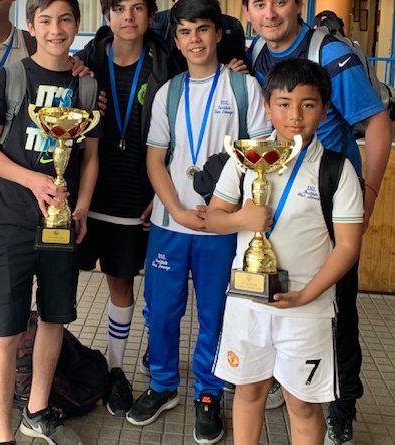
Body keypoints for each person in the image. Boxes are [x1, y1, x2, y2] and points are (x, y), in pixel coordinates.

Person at [243, 1, 392, 442]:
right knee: (276, 295)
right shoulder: (255, 52)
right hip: (278, 206)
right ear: (248, 11)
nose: (270, 13)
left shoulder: (329, 53)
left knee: (336, 313)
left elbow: (377, 123)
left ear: (298, 5)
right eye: (259, 4)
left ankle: (341, 410)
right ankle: (284, 378)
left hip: (328, 206)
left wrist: (368, 197)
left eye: (280, 2)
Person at [124, 0, 270, 443]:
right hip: (172, 223)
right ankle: (163, 384)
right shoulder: (168, 93)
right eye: (185, 31)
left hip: (222, 228)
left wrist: (231, 214)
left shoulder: (244, 88)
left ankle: (209, 393)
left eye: (202, 29)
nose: (194, 40)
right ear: (176, 38)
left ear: (218, 33)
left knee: (215, 312)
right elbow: (155, 161)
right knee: (161, 310)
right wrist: (178, 210)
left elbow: (260, 160)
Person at [209, 58, 364, 445]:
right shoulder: (245, 160)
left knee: (304, 405)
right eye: (283, 103)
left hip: (307, 309)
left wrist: (307, 295)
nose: (295, 116)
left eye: (308, 104)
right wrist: (242, 218)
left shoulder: (336, 169)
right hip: (247, 303)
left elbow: (348, 245)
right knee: (249, 392)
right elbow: (213, 218)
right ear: (267, 107)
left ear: (324, 110)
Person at [0, 0, 100, 441]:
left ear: (77, 24)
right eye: (45, 20)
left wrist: (81, 207)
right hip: (11, 221)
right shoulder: (11, 78)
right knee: (5, 330)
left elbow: (90, 158)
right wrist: (33, 181)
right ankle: (3, 433)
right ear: (30, 26)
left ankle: (38, 409)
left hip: (61, 225)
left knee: (54, 318)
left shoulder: (86, 87)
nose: (55, 29)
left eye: (65, 19)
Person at [74, 0, 179, 417]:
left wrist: (162, 191)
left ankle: (115, 369)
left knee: (121, 283)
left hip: (135, 197)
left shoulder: (166, 66)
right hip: (85, 196)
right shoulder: (85, 63)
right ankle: (57, 366)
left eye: (138, 8)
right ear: (107, 16)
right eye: (119, 8)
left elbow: (179, 136)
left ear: (152, 16)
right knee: (60, 283)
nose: (128, 17)